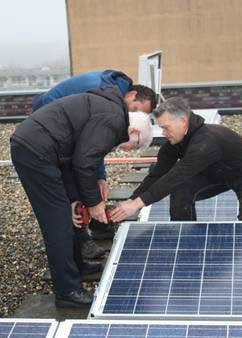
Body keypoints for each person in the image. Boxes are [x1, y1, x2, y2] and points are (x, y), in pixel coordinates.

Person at [10, 86, 153, 308]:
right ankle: (67, 291)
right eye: (132, 146)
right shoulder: (114, 120)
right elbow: (84, 163)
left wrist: (75, 198)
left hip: (47, 149)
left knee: (70, 214)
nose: (124, 151)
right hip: (35, 151)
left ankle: (79, 266)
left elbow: (74, 155)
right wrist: (95, 204)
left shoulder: (109, 111)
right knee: (58, 223)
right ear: (133, 132)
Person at [32, 69, 157, 264]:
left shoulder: (113, 92)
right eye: (135, 109)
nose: (132, 115)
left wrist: (101, 178)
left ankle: (97, 225)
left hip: (66, 130)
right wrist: (93, 194)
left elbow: (92, 147)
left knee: (86, 175)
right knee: (72, 181)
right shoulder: (101, 91)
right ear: (132, 95)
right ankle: (81, 241)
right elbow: (86, 149)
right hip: (49, 128)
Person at [111, 97, 242, 223]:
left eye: (166, 127)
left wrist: (137, 204)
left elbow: (177, 175)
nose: (164, 133)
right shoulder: (175, 142)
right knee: (181, 189)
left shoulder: (207, 141)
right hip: (214, 174)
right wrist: (131, 201)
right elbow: (157, 175)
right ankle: (183, 235)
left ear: (183, 121)